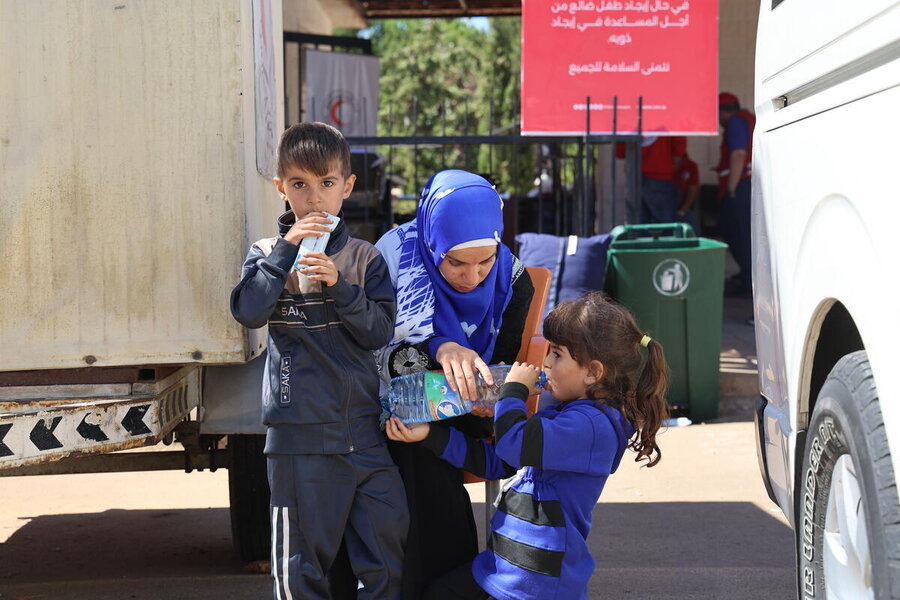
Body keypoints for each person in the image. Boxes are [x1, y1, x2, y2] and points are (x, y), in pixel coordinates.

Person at [386, 292, 670, 600]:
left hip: (538, 583)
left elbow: (513, 446)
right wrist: (430, 436)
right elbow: (498, 462)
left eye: (557, 355)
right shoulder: (570, 413)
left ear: (593, 372)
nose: (545, 362)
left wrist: (513, 393)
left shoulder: (594, 427)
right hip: (503, 570)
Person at [230, 122, 408, 600]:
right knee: (301, 566)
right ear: (281, 188)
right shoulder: (267, 254)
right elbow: (248, 311)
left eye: (327, 184)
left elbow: (377, 332)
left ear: (346, 187)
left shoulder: (364, 258)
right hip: (299, 440)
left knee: (386, 554)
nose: (314, 199)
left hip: (364, 435)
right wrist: (287, 251)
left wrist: (341, 287)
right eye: (300, 185)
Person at [375, 169, 535, 599]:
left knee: (417, 446)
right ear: (431, 243)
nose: (473, 277)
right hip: (385, 402)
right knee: (404, 423)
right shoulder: (394, 259)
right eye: (456, 262)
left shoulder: (512, 281)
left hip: (463, 418)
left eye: (485, 260)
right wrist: (440, 348)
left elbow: (498, 377)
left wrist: (479, 391)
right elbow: (369, 350)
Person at [715, 92, 756, 295]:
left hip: (741, 188)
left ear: (724, 112)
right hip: (747, 186)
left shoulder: (736, 122)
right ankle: (747, 279)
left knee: (740, 236)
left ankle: (750, 284)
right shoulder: (747, 119)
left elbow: (738, 154)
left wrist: (731, 187)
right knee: (738, 233)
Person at [617, 135, 687, 223]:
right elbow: (679, 147)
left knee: (637, 226)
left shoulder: (630, 122)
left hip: (634, 176)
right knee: (665, 226)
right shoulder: (669, 122)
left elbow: (620, 152)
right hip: (661, 174)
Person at [674, 152, 701, 233]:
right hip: (664, 204)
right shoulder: (665, 164)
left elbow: (693, 190)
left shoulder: (690, 165)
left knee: (693, 224)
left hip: (682, 205)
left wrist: (682, 211)